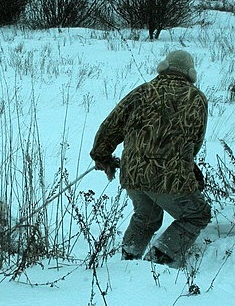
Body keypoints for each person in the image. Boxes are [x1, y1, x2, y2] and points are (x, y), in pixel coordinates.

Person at [90, 50, 211, 268]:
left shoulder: (141, 92)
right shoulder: (197, 98)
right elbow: (195, 141)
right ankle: (159, 259)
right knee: (198, 215)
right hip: (171, 177)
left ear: (164, 67)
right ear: (191, 74)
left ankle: (128, 261)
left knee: (146, 218)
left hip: (133, 174)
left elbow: (111, 126)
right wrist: (187, 167)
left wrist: (101, 155)